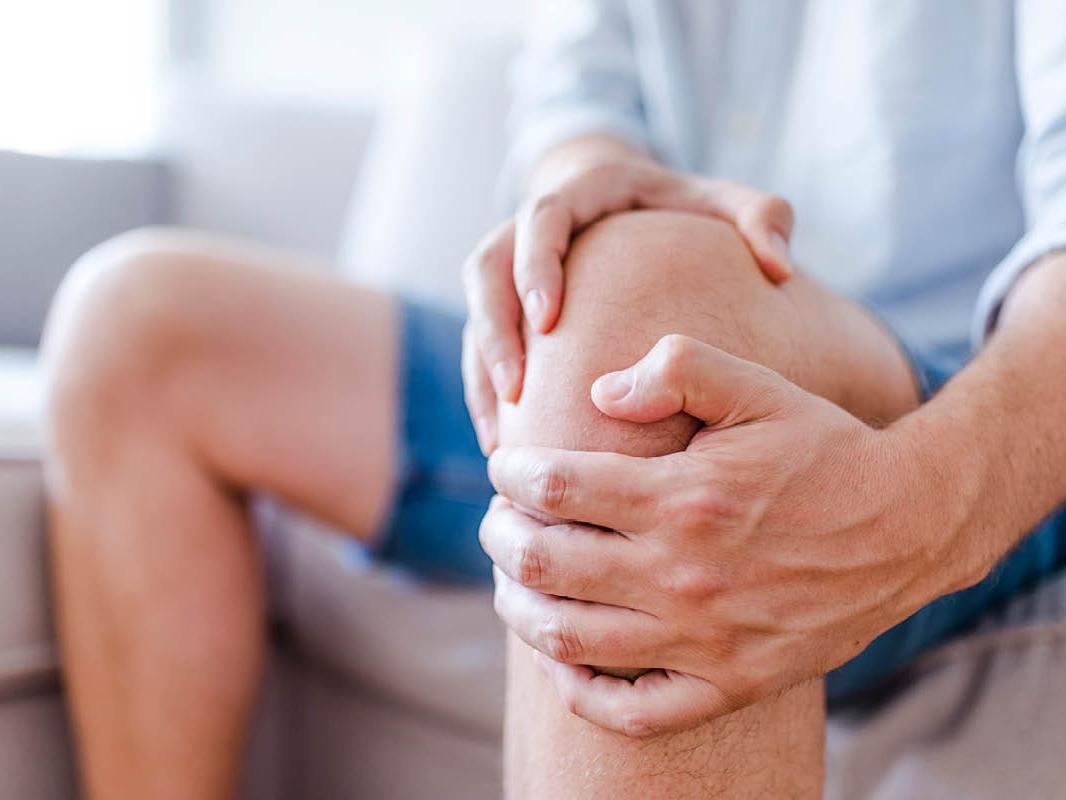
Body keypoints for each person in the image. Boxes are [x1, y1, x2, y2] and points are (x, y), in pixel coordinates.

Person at [40, 4, 1066, 800]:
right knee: (133, 322)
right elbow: (577, 107)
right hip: (634, 339)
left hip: (974, 393)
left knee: (645, 342)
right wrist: (587, 188)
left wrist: (904, 505)